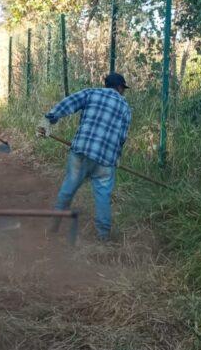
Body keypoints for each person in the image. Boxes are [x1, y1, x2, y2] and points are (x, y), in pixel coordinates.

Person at [36, 72, 132, 241]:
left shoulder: (91, 93)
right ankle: (103, 237)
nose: (123, 92)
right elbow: (122, 137)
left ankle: (53, 227)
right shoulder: (125, 107)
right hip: (105, 160)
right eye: (123, 88)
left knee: (68, 188)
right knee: (103, 195)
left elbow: (68, 104)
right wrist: (116, 157)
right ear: (119, 87)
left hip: (81, 151)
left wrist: (49, 119)